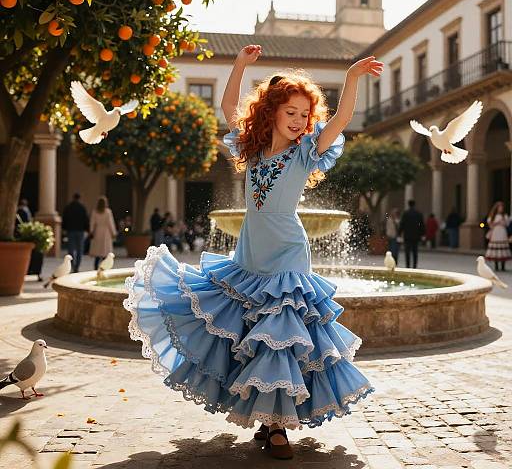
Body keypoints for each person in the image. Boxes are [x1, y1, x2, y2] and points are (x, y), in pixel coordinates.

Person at [123, 44, 382, 459]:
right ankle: (266, 416)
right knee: (250, 337)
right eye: (291, 113)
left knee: (278, 337)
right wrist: (240, 65)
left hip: (288, 256)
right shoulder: (252, 149)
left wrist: (351, 77)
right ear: (272, 112)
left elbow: (343, 119)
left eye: (304, 114)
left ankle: (278, 428)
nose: (299, 121)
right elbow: (228, 104)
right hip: (248, 255)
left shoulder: (306, 152)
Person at [62, 193, 90, 273]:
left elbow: (65, 219)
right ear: (79, 198)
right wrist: (87, 229)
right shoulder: (82, 208)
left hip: (70, 230)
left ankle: (72, 265)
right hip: (80, 231)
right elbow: (86, 219)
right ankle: (77, 266)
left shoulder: (68, 207)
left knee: (71, 249)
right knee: (80, 249)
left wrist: (64, 229)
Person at [89, 196, 117, 271]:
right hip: (106, 233)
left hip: (98, 231)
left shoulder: (95, 212)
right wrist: (113, 232)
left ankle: (95, 268)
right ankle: (105, 267)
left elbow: (92, 222)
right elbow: (110, 223)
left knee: (98, 253)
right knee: (105, 251)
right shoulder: (108, 212)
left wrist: (91, 231)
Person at [485, 201, 511, 271]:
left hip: (502, 233)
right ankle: (496, 266)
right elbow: (490, 225)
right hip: (495, 233)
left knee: (503, 249)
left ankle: (503, 266)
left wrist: (503, 222)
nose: (501, 209)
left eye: (502, 207)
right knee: (496, 250)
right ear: (496, 208)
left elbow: (507, 224)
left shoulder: (505, 216)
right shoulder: (492, 216)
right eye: (499, 207)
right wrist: (496, 223)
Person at [399, 200, 425, 269]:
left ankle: (408, 266)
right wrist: (423, 234)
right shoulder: (418, 214)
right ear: (414, 205)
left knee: (407, 252)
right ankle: (414, 266)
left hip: (407, 236)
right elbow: (421, 225)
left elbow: (402, 224)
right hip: (416, 236)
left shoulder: (405, 214)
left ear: (408, 205)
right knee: (415, 252)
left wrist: (399, 233)